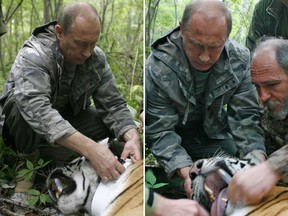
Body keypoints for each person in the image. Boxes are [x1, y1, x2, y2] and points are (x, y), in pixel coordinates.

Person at [0, 2, 142, 192]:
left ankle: (64, 157)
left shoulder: (96, 59)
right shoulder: (34, 55)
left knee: (110, 125)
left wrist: (132, 136)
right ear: (60, 32)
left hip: (66, 127)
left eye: (93, 43)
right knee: (22, 105)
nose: (88, 52)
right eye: (81, 44)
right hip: (21, 134)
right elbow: (37, 109)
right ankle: (27, 163)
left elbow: (114, 104)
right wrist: (91, 149)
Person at [145, 0, 266, 199]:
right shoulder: (158, 67)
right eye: (197, 45)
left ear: (226, 38)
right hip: (175, 137)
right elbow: (160, 131)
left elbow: (246, 120)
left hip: (211, 136)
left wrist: (258, 165)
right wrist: (186, 172)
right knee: (184, 187)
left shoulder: (240, 60)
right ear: (182, 29)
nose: (204, 57)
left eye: (214, 47)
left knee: (232, 163)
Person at [228, 37, 288, 205]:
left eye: (272, 84)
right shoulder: (269, 107)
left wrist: (273, 168)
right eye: (257, 86)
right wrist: (255, 158)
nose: (262, 96)